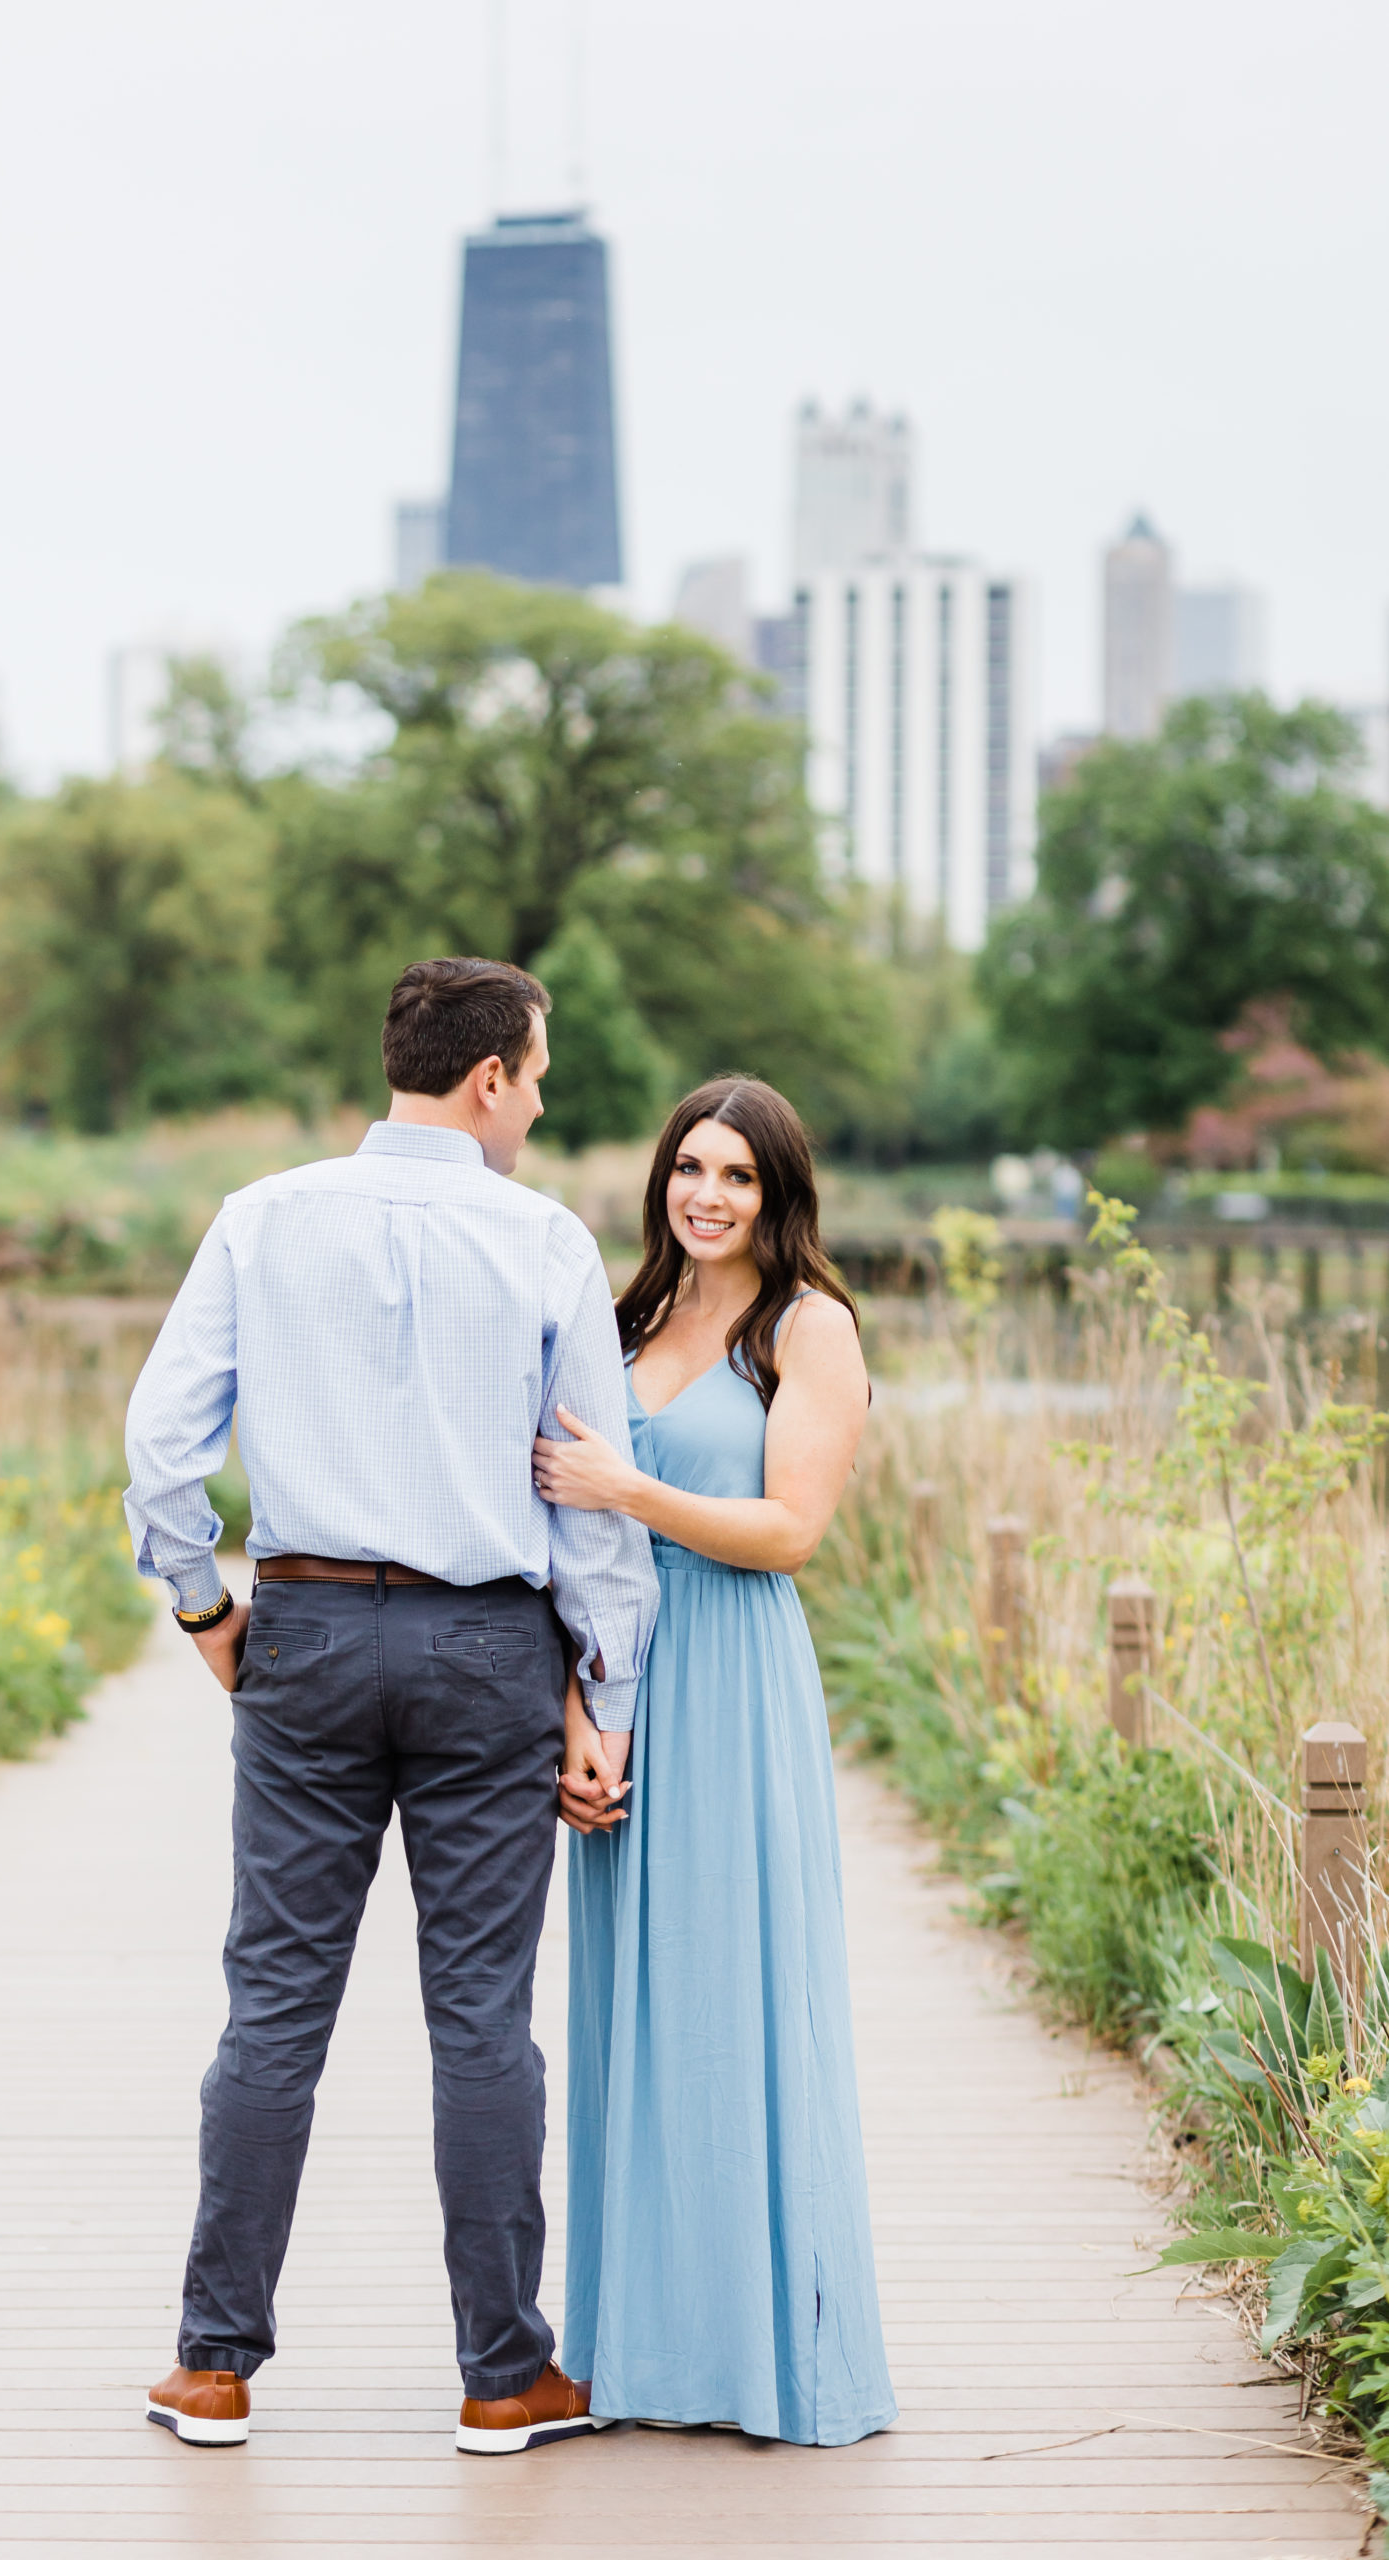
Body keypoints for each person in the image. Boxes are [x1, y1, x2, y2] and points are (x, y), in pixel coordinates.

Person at [122, 957, 659, 2456]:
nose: (540, 1101)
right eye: (537, 1075)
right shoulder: (546, 1243)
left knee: (275, 2007)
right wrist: (602, 1688)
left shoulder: (261, 1217)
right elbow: (594, 1508)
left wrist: (205, 1606)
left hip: (297, 1630)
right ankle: (505, 2374)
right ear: (488, 1078)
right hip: (490, 1650)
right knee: (483, 2018)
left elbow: (160, 1448)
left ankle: (214, 2365)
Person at [535, 1077, 897, 2446]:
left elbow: (790, 1528)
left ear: (779, 1193)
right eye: (691, 1168)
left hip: (736, 1675)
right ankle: (640, 2350)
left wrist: (629, 1488)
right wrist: (576, 1710)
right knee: (635, 2011)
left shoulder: (810, 1328)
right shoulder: (624, 1319)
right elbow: (566, 1541)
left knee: (736, 2002)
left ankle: (762, 2355)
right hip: (622, 1682)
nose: (707, 1195)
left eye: (738, 1175)